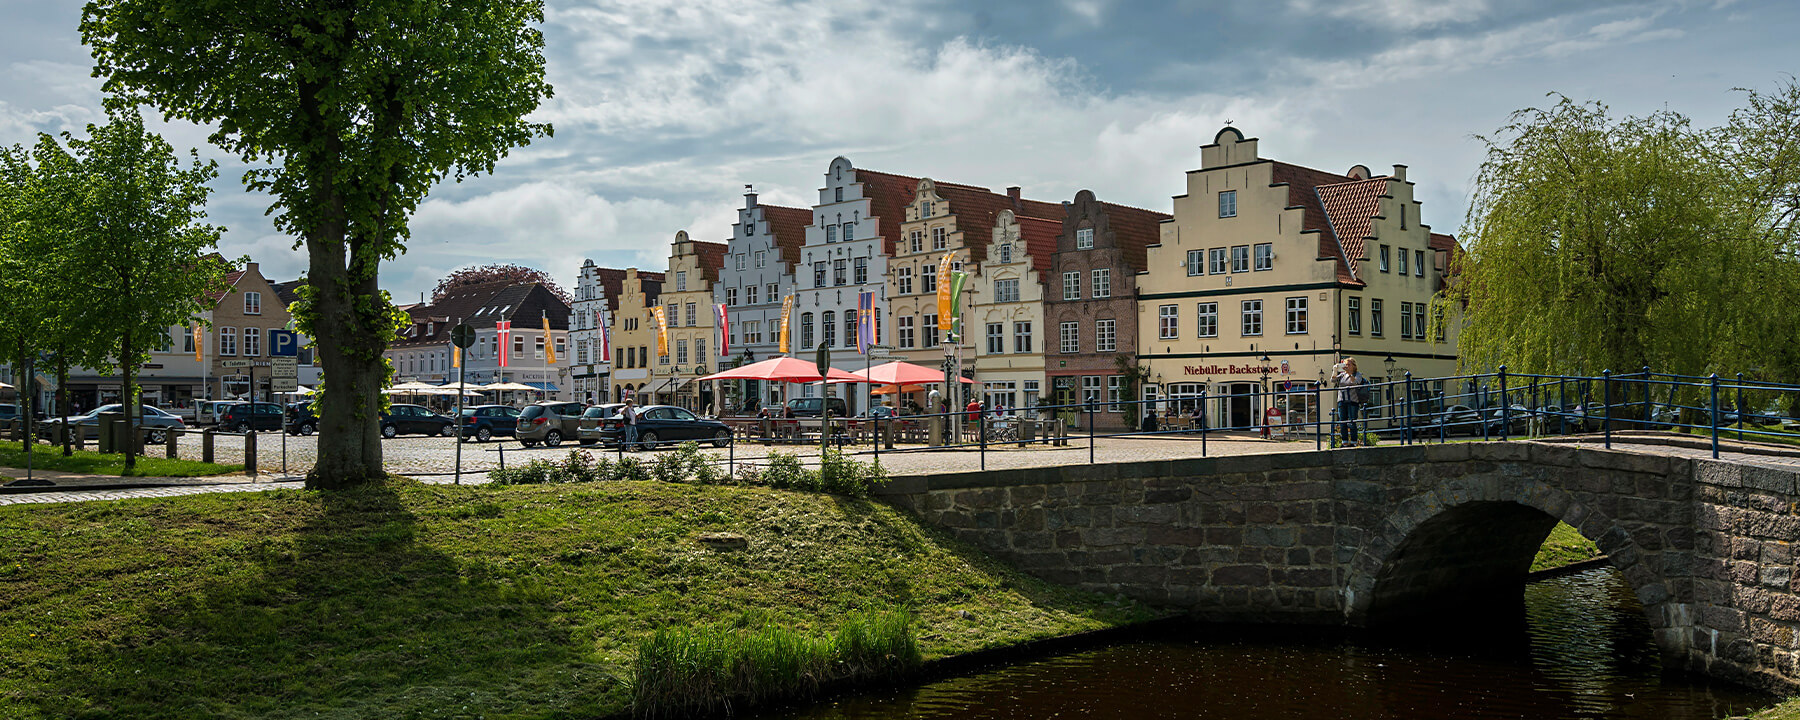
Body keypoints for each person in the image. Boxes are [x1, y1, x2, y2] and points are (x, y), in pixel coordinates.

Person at [1333, 358, 1371, 446]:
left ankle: (1354, 441)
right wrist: (1335, 371)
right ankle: (1344, 441)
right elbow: (1333, 380)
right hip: (1342, 400)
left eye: (1348, 365)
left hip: (1353, 400)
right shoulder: (1342, 375)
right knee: (1342, 421)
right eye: (1345, 365)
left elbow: (1356, 382)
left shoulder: (1357, 374)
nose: (1346, 367)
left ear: (1354, 366)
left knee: (1352, 422)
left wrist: (1350, 374)